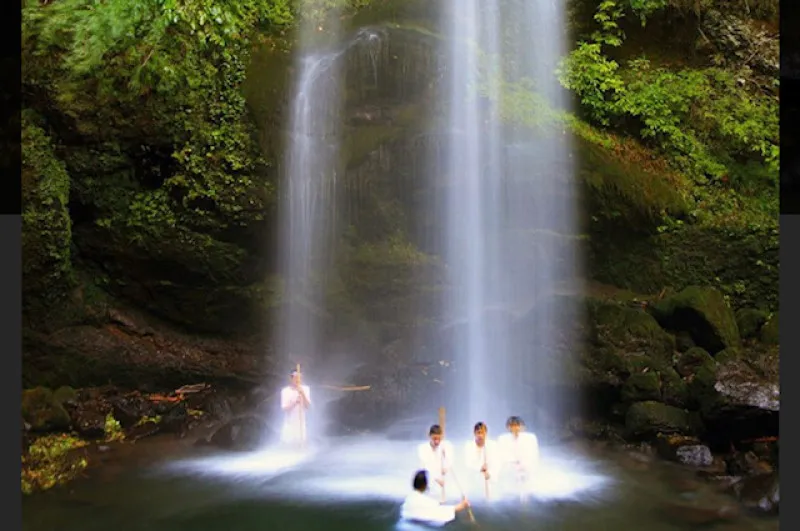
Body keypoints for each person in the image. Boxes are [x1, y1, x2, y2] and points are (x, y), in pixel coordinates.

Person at [400, 470, 471, 527]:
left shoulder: (409, 498)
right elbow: (439, 513)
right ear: (425, 485)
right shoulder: (425, 502)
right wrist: (462, 506)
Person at [497, 416, 539, 493]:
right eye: (512, 426)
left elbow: (533, 454)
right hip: (509, 466)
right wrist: (513, 463)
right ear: (508, 427)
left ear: (523, 427)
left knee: (524, 475)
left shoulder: (530, 438)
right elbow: (501, 455)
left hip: (526, 465)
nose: (515, 428)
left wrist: (524, 464)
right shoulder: (503, 439)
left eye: (517, 425)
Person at [417, 424, 455, 499]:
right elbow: (424, 468)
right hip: (429, 485)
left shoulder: (447, 446)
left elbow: (450, 461)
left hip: (444, 486)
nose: (437, 441)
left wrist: (446, 467)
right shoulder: (422, 449)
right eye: (434, 438)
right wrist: (437, 479)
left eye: (439, 439)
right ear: (429, 436)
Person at [463, 421, 499, 497]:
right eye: (478, 433)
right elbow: (467, 463)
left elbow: (496, 463)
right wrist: (480, 468)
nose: (480, 435)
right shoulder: (469, 446)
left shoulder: (492, 445)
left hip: (488, 483)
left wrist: (490, 474)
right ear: (474, 433)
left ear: (486, 433)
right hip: (473, 483)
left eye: (482, 433)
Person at [280, 368, 311, 445]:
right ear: (291, 378)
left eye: (299, 377)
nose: (297, 379)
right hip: (289, 425)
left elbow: (308, 406)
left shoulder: (306, 389)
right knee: (288, 448)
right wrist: (295, 402)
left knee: (301, 446)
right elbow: (284, 409)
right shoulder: (285, 391)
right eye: (295, 377)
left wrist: (302, 393)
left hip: (301, 425)